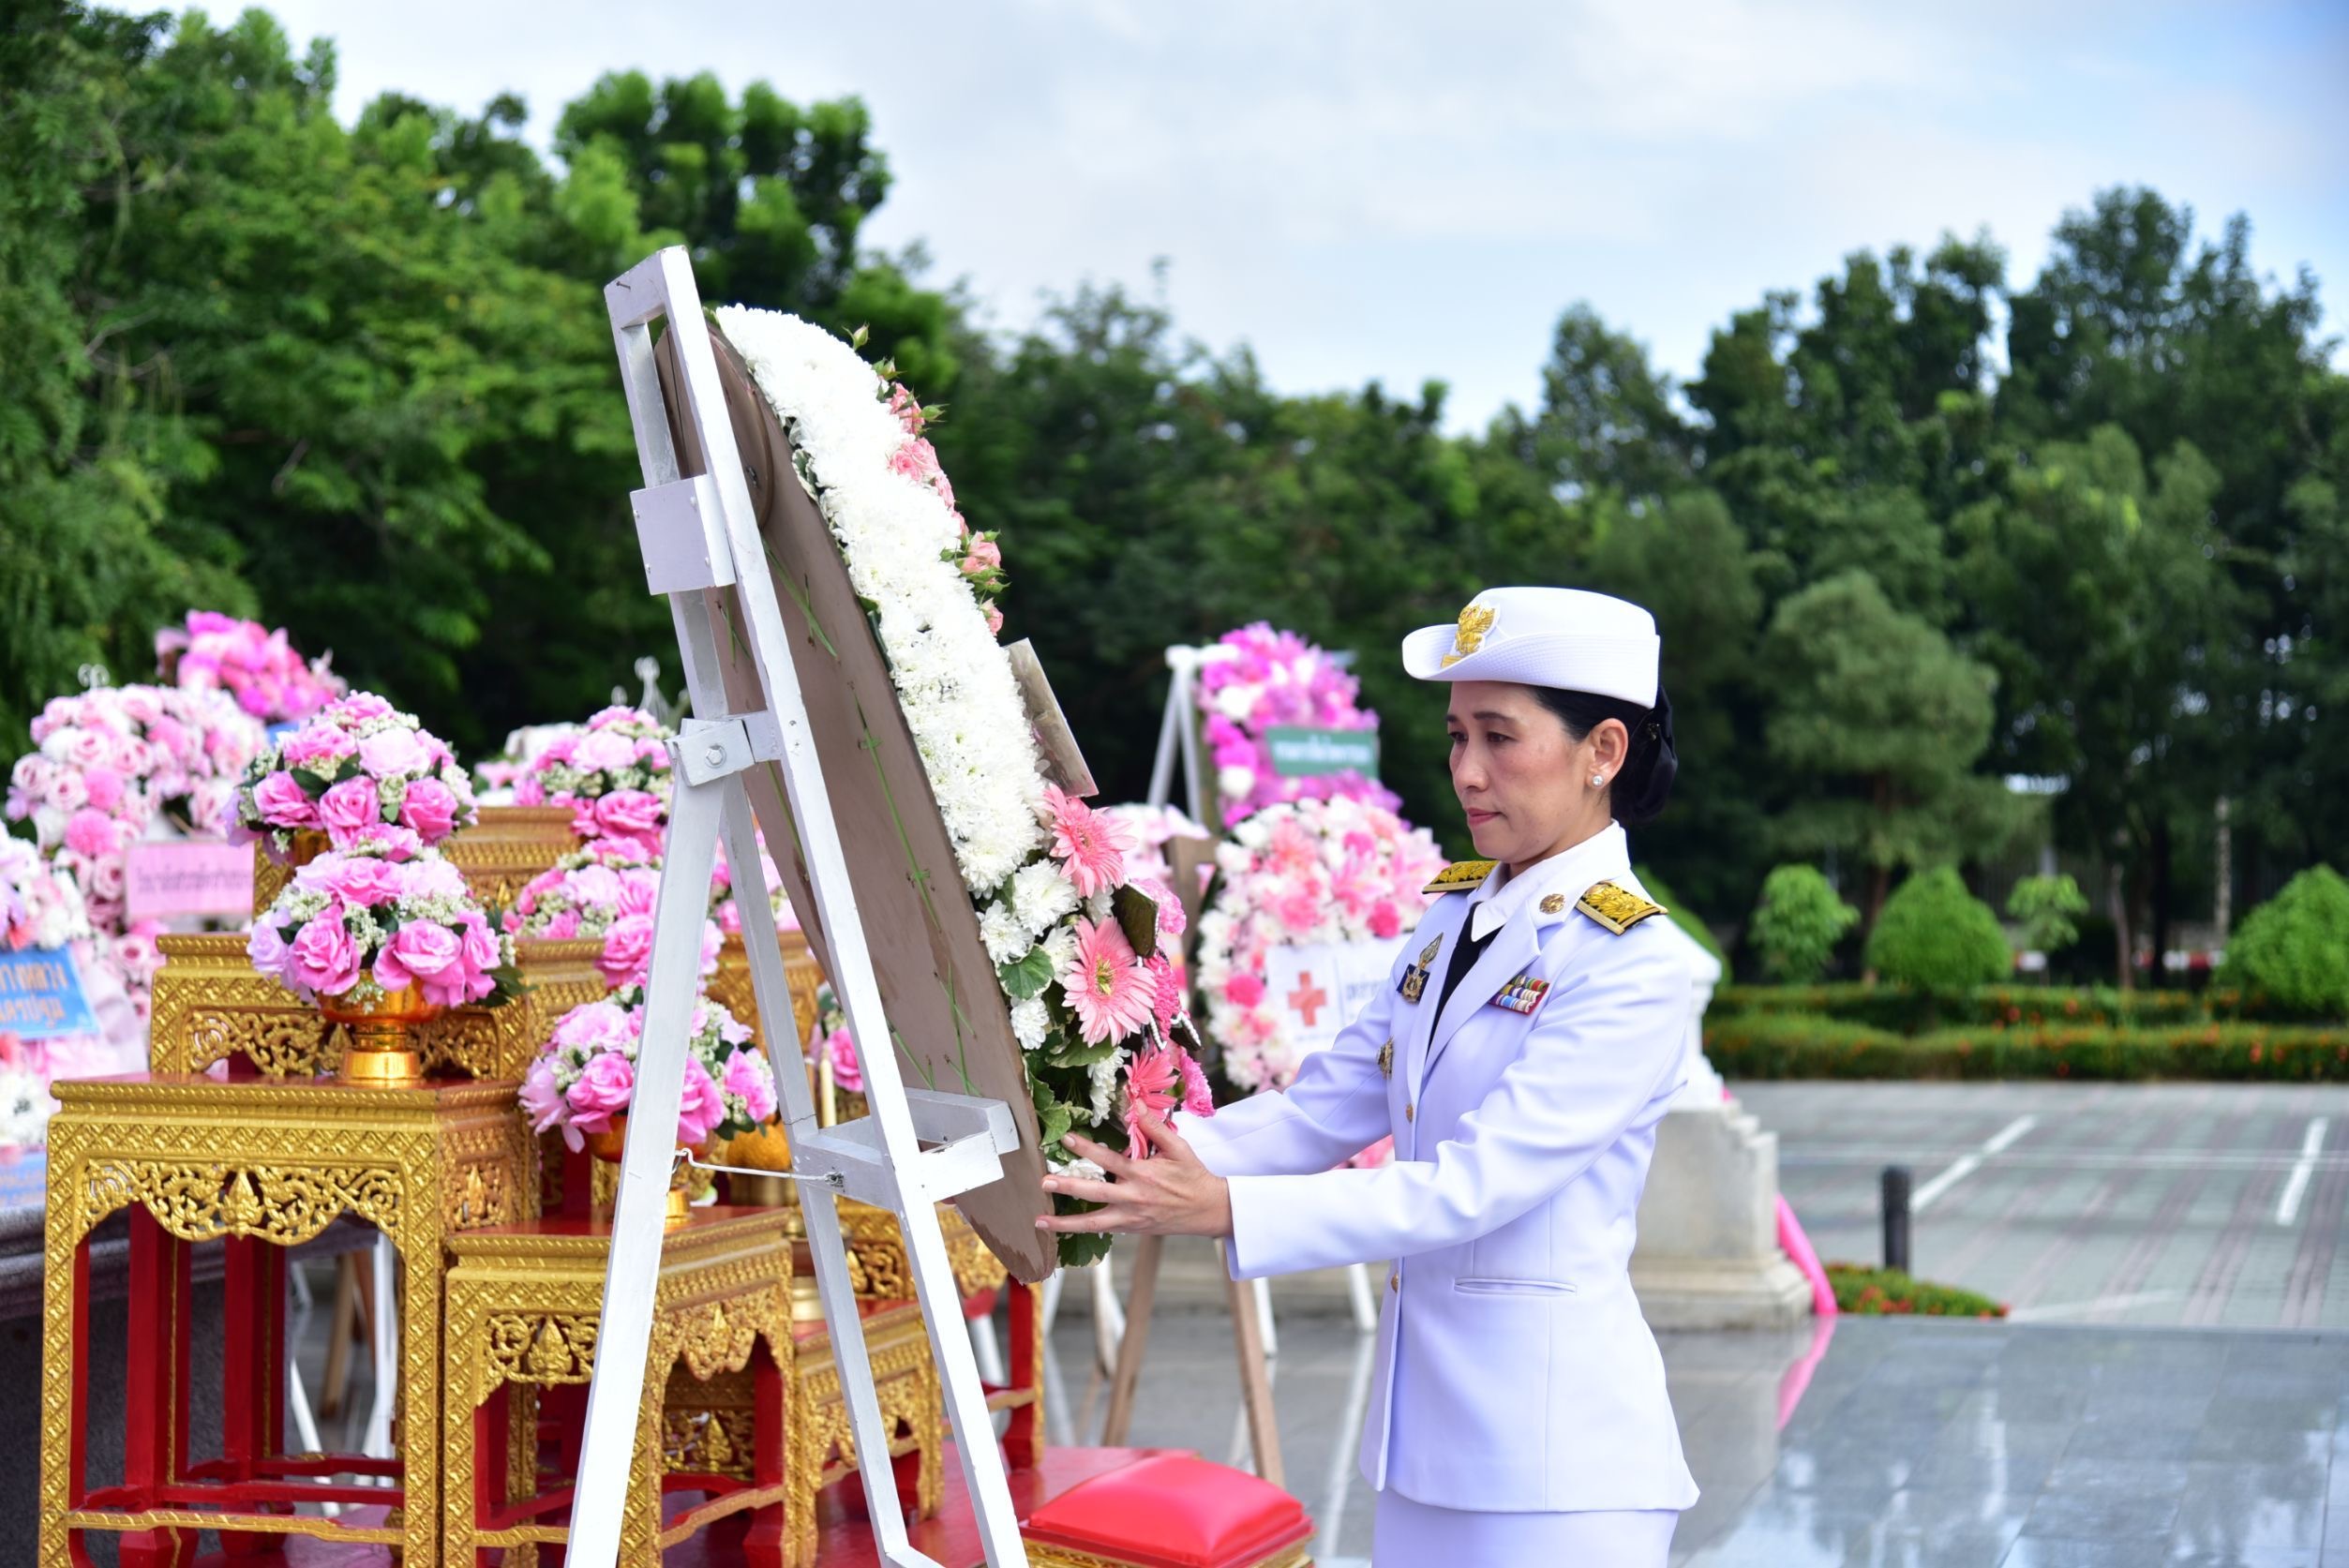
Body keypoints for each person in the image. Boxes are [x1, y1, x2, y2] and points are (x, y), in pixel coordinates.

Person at [1039, 586, 1699, 1566]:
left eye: (1499, 737)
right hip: (1426, 1448)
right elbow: (1324, 1107)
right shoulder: (1454, 917)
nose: (1466, 770)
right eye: (1457, 735)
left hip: (1560, 1470)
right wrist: (1116, 1158)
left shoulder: (1632, 961)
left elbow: (1475, 1184)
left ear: (1602, 750)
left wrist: (1226, 1208)